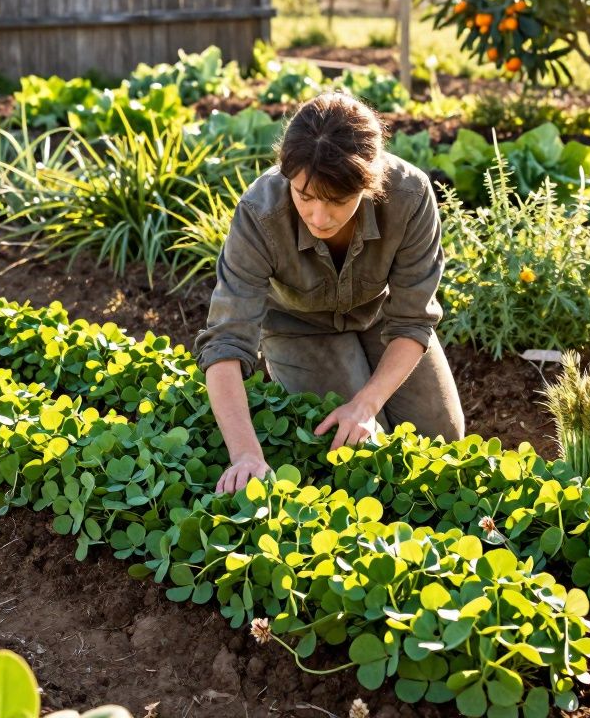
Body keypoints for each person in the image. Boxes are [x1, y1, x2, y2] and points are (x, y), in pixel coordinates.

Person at [195, 92, 466, 495]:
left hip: (378, 316)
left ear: (369, 182)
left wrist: (367, 403)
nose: (319, 218)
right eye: (304, 197)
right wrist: (246, 455)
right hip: (299, 328)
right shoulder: (259, 213)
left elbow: (413, 319)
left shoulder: (409, 196)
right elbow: (226, 341)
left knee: (440, 439)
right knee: (356, 450)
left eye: (338, 201)